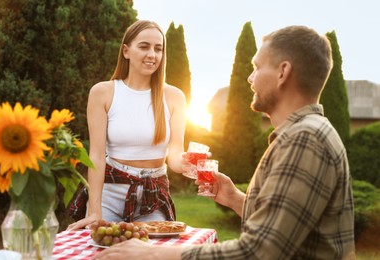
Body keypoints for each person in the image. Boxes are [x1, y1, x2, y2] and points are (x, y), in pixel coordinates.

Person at [92, 25, 356, 259]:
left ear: (282, 72)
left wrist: (154, 254)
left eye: (257, 67)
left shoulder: (304, 140)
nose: (250, 78)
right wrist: (235, 199)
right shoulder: (304, 134)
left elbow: (257, 251)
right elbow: (285, 225)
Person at [67, 20, 189, 230]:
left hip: (154, 194)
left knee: (153, 253)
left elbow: (175, 155)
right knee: (101, 249)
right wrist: (95, 211)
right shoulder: (102, 93)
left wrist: (192, 165)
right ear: (126, 51)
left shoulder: (174, 97)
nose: (152, 54)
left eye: (158, 49)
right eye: (144, 46)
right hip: (110, 193)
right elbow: (96, 156)